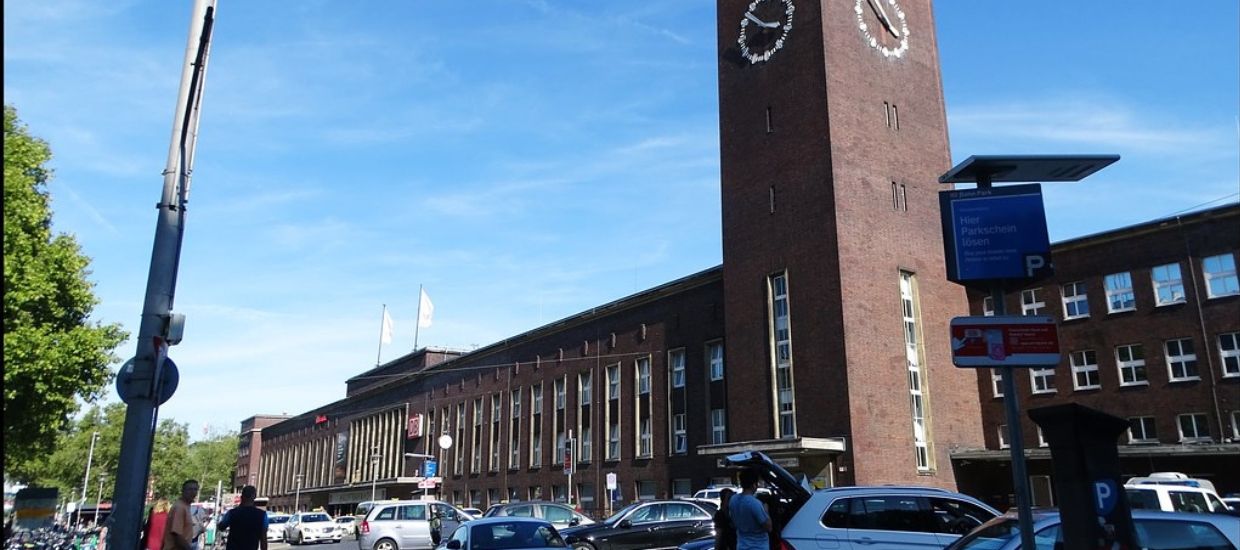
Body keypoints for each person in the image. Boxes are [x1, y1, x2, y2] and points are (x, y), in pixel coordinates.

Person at [729, 469, 771, 550]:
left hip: (741, 546)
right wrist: (766, 509)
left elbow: (732, 523)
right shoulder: (754, 503)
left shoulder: (733, 500)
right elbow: (768, 527)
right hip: (758, 547)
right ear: (754, 485)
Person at [163, 481, 200, 550]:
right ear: (183, 491)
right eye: (190, 489)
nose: (193, 492)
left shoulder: (186, 506)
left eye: (195, 489)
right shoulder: (179, 507)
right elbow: (176, 534)